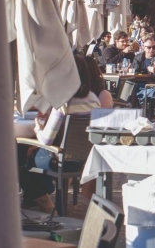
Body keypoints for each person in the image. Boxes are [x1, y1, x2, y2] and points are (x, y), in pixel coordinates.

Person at [21, 54, 102, 213]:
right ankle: (37, 197)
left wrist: (38, 128)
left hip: (59, 160)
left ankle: (40, 196)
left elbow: (46, 140)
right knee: (31, 151)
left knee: (20, 152)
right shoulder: (94, 99)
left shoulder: (63, 102)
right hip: (84, 159)